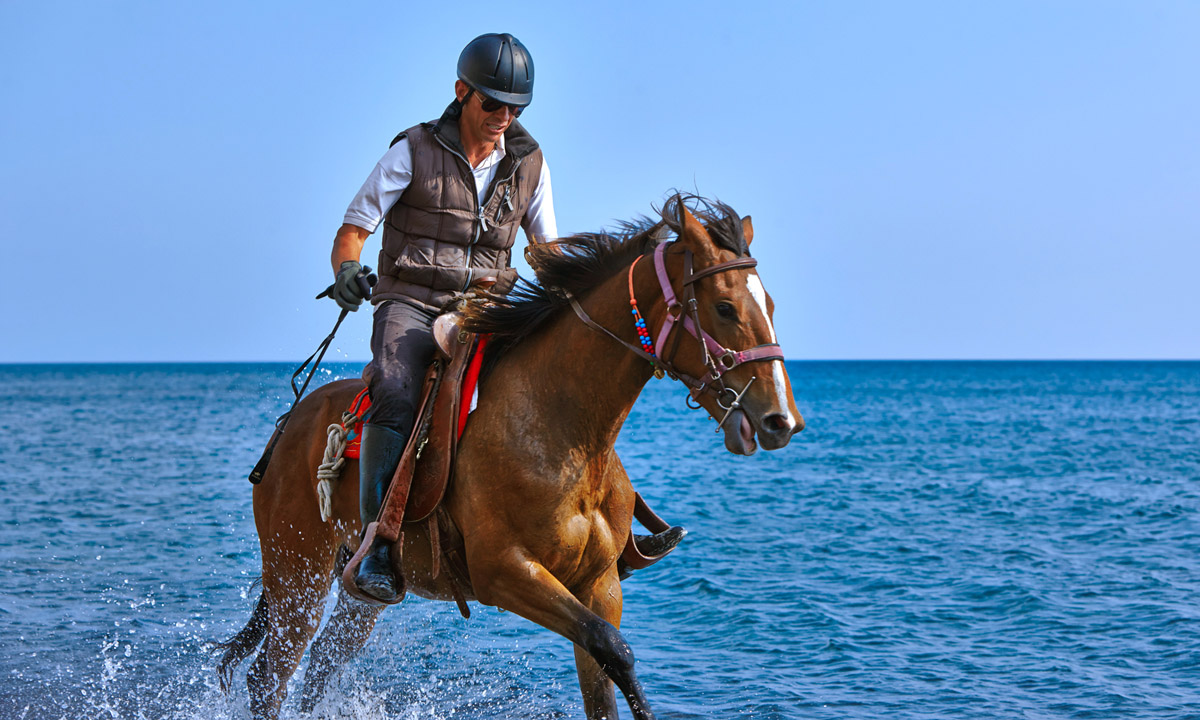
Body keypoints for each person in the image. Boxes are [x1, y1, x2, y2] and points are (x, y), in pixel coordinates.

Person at [329, 33, 679, 604]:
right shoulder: (411, 151)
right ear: (462, 92)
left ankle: (618, 532)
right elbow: (354, 230)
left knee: (564, 390)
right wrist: (348, 270)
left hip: (487, 310)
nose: (504, 116)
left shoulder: (530, 164)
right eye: (493, 103)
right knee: (395, 389)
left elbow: (547, 251)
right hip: (411, 307)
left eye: (516, 107)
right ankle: (379, 545)